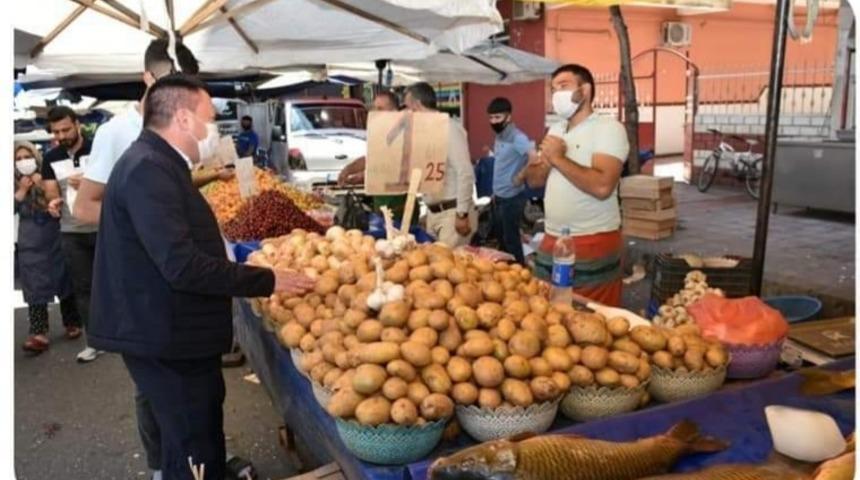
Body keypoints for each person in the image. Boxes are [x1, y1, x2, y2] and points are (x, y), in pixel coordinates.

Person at [88, 74, 315, 480]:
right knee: (193, 441)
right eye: (210, 118)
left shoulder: (157, 162)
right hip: (164, 336)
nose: (215, 129)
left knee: (192, 432)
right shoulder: (147, 169)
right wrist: (266, 279)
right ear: (183, 118)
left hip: (168, 331)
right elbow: (181, 265)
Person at [521, 64, 629, 307]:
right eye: (552, 89)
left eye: (563, 86)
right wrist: (536, 164)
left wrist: (558, 158)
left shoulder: (608, 128)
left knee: (590, 317)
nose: (556, 95)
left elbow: (603, 186)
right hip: (552, 237)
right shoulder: (556, 129)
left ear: (585, 90)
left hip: (592, 239)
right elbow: (536, 181)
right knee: (547, 310)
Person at [40, 106, 100, 362]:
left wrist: (90, 182)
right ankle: (94, 340)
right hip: (71, 231)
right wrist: (52, 202)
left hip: (104, 226)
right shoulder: (51, 156)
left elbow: (119, 181)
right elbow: (51, 191)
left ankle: (125, 333)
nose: (61, 135)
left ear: (77, 124)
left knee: (116, 280)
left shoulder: (98, 149)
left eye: (65, 129)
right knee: (83, 288)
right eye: (56, 132)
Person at [14, 141, 83, 354]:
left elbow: (58, 200)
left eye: (27, 157)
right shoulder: (12, 181)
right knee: (35, 286)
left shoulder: (47, 174)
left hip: (53, 235)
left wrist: (42, 186)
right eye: (18, 159)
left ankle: (72, 322)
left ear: (36, 157)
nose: (23, 162)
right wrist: (22, 190)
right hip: (29, 242)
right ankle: (39, 333)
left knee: (64, 278)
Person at [403, 82, 476, 246]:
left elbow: (465, 172)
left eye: (408, 109)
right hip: (434, 213)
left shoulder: (449, 128)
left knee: (447, 266)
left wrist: (462, 214)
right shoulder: (426, 132)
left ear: (417, 105)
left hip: (453, 213)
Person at [337, 90, 418, 224]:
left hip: (400, 205)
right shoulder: (381, 132)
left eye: (380, 108)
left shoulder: (403, 132)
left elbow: (395, 163)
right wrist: (351, 171)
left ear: (394, 111)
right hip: (380, 203)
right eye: (374, 108)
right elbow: (374, 159)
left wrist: (356, 173)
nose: (375, 112)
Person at [486, 97, 530, 264]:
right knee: (502, 240)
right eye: (490, 117)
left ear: (508, 117)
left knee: (511, 241)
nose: (493, 121)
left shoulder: (518, 137)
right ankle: (506, 275)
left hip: (512, 199)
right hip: (499, 197)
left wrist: (520, 176)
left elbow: (535, 158)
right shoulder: (500, 136)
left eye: (497, 117)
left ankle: (519, 273)